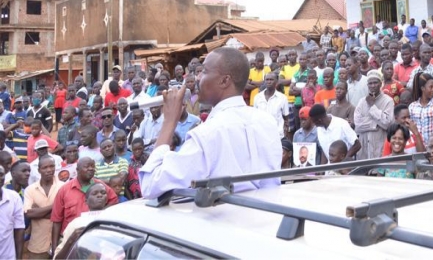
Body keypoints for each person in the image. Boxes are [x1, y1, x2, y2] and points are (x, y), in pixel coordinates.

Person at [137, 47, 282, 199]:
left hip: (226, 215)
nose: (197, 77)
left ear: (224, 81)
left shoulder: (207, 134)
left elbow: (150, 185)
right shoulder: (267, 122)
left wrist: (169, 121)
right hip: (270, 213)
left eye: (204, 71)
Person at [50, 157, 118, 246]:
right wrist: (54, 248)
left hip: (94, 238)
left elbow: (114, 200)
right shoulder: (64, 190)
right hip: (69, 240)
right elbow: (56, 221)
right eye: (87, 166)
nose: (91, 169)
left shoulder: (100, 186)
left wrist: (100, 212)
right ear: (77, 170)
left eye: (92, 166)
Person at [53, 182, 110, 259]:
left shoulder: (114, 221)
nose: (100, 195)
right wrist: (71, 240)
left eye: (103, 193)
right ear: (86, 201)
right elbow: (58, 258)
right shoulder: (76, 224)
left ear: (106, 199)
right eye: (94, 193)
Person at [24, 154, 63, 258]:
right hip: (37, 244)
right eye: (45, 167)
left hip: (60, 244)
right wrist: (55, 206)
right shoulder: (30, 189)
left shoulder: (63, 187)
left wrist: (38, 212)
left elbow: (64, 214)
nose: (49, 170)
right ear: (38, 170)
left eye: (52, 166)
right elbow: (28, 213)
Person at [354, 71, 394, 160]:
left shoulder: (388, 101)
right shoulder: (362, 102)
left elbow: (388, 124)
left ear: (380, 84)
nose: (373, 86)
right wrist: (376, 124)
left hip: (380, 148)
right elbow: (358, 125)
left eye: (375, 83)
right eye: (370, 83)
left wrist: (372, 106)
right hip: (364, 150)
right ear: (367, 85)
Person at [409, 73, 433, 144]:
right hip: (417, 145)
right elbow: (410, 128)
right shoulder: (412, 107)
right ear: (422, 88)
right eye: (430, 87)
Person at [252, 72, 289, 138]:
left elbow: (286, 119)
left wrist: (284, 134)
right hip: (261, 135)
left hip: (277, 136)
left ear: (276, 81)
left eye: (271, 80)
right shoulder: (257, 98)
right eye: (267, 79)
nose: (269, 82)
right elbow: (254, 117)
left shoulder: (282, 98)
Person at [0, 164, 24, 260]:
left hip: (7, 256)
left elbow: (19, 229)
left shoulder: (14, 197)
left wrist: (19, 257)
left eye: (1, 174)